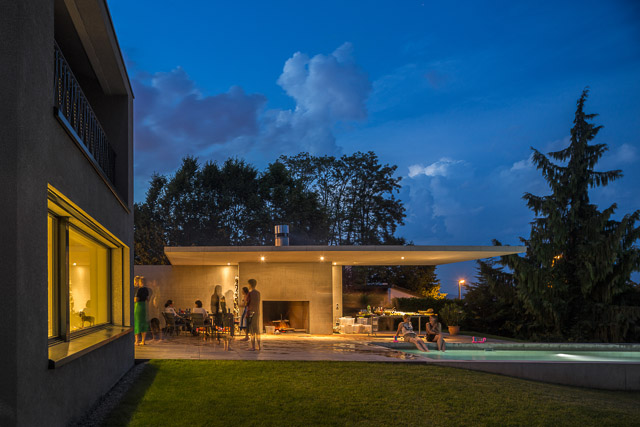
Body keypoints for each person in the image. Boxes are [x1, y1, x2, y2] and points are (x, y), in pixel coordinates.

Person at [134, 276, 150, 346]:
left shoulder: (139, 290)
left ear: (140, 282)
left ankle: (136, 341)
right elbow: (148, 299)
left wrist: (133, 299)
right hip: (143, 306)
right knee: (143, 323)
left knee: (137, 323)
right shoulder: (146, 290)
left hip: (138, 307)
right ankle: (143, 341)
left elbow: (136, 299)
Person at [246, 279, 261, 351]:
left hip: (251, 312)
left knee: (252, 330)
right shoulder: (258, 293)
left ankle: (253, 347)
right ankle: (259, 346)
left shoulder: (250, 293)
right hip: (257, 312)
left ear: (250, 284)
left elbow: (247, 303)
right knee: (257, 329)